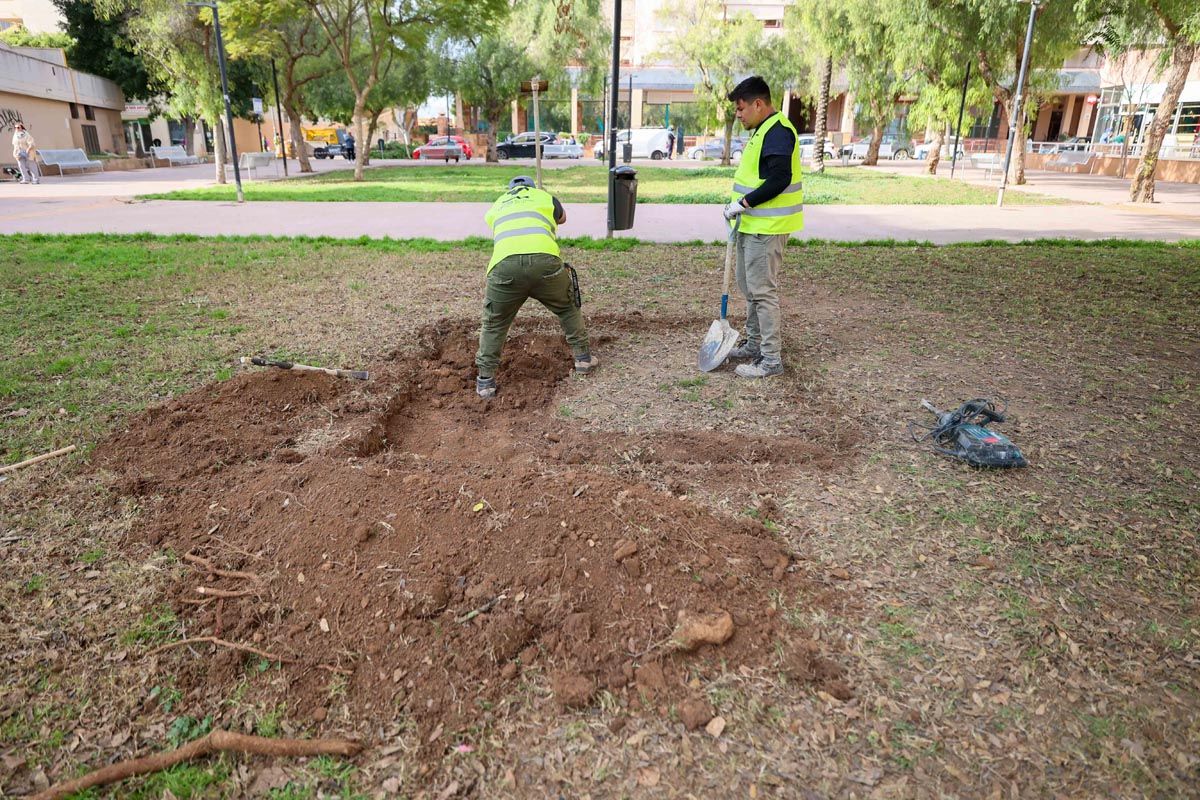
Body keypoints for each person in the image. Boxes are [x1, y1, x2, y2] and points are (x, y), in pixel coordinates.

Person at [475, 176, 597, 398]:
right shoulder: (544, 196)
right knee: (567, 308)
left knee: (494, 323)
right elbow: (563, 218)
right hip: (545, 263)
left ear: (510, 189)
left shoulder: (498, 203)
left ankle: (485, 382)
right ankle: (583, 359)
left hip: (505, 267)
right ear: (531, 188)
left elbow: (496, 224)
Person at [720, 76, 803, 378]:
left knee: (762, 293)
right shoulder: (762, 130)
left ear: (758, 104)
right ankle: (754, 344)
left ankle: (770, 359)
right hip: (752, 226)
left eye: (741, 109)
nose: (738, 115)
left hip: (767, 229)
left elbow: (780, 179)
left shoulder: (778, 132)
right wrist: (736, 205)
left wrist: (742, 204)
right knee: (749, 288)